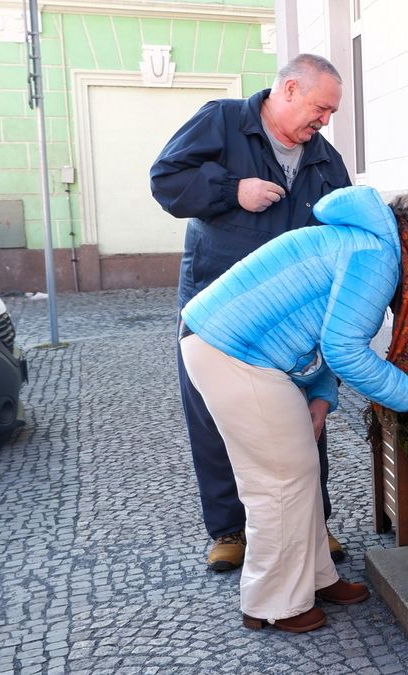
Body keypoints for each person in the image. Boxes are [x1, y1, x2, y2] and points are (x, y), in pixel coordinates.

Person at [178, 185, 408, 632]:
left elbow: (319, 327)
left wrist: (320, 397)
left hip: (231, 345)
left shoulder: (365, 241)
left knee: (299, 472)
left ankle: (313, 576)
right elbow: (345, 350)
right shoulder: (376, 256)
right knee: (277, 483)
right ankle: (272, 604)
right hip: (234, 352)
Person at [150, 54, 352, 572]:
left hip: (290, 319)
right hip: (217, 308)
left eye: (330, 113)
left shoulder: (326, 162)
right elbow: (166, 180)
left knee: (303, 415)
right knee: (214, 415)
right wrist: (231, 191)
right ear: (288, 89)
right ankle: (229, 531)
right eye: (320, 109)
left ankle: (313, 524)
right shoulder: (222, 121)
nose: (324, 121)